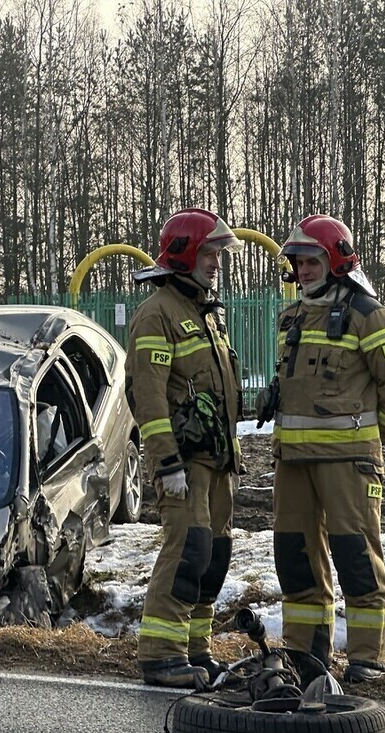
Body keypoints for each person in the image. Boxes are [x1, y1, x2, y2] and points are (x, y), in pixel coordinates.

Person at [265, 214, 385, 683]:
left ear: (335, 261)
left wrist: (367, 442)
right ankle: (306, 655)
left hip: (347, 466)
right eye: (297, 262)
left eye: (312, 261)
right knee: (295, 559)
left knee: (355, 557)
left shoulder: (368, 314)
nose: (303, 270)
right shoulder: (291, 317)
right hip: (293, 463)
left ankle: (369, 657)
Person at [125, 208, 245, 688]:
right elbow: (148, 397)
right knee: (187, 550)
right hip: (185, 464)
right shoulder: (158, 314)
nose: (217, 263)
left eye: (218, 254)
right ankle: (160, 653)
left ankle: (196, 647)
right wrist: (166, 463)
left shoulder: (203, 313)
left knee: (213, 555)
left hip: (217, 463)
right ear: (186, 254)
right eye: (210, 253)